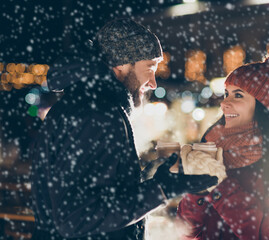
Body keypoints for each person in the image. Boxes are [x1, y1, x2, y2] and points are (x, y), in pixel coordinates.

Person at [30, 18, 218, 240]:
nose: (153, 83)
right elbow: (77, 216)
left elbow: (94, 196)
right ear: (120, 64)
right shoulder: (96, 115)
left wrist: (151, 179)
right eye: (149, 68)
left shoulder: (88, 106)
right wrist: (160, 190)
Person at [177, 51, 269, 239]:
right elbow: (186, 232)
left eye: (238, 95)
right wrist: (196, 187)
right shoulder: (213, 144)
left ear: (263, 103)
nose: (224, 104)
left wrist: (221, 185)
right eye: (226, 94)